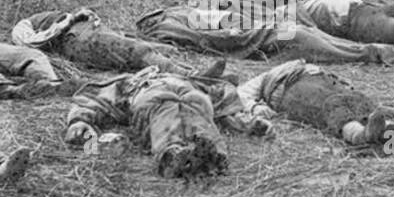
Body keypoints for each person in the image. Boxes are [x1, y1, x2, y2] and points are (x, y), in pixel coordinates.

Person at [63, 66, 271, 177]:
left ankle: (211, 155)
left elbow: (223, 96)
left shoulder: (192, 81)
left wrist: (246, 122)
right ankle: (173, 154)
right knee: (167, 108)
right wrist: (79, 121)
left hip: (192, 95)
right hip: (152, 98)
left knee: (194, 108)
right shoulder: (129, 83)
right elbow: (93, 99)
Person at [136, 1, 394, 65]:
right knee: (298, 35)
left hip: (256, 29)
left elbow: (219, 25)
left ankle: (370, 49)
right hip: (254, 36)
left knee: (300, 30)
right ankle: (365, 54)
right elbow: (216, 36)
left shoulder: (176, 14)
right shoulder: (167, 24)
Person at [237, 60, 394, 151]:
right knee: (329, 104)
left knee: (355, 98)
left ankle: (385, 130)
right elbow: (241, 94)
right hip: (290, 85)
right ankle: (358, 135)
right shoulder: (265, 77)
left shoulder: (306, 64)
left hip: (325, 79)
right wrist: (254, 107)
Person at [10, 9, 220, 77]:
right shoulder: (22, 27)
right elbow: (35, 41)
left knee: (159, 49)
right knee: (138, 52)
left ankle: (190, 72)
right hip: (79, 41)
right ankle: (191, 76)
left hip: (90, 34)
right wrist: (73, 18)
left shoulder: (46, 16)